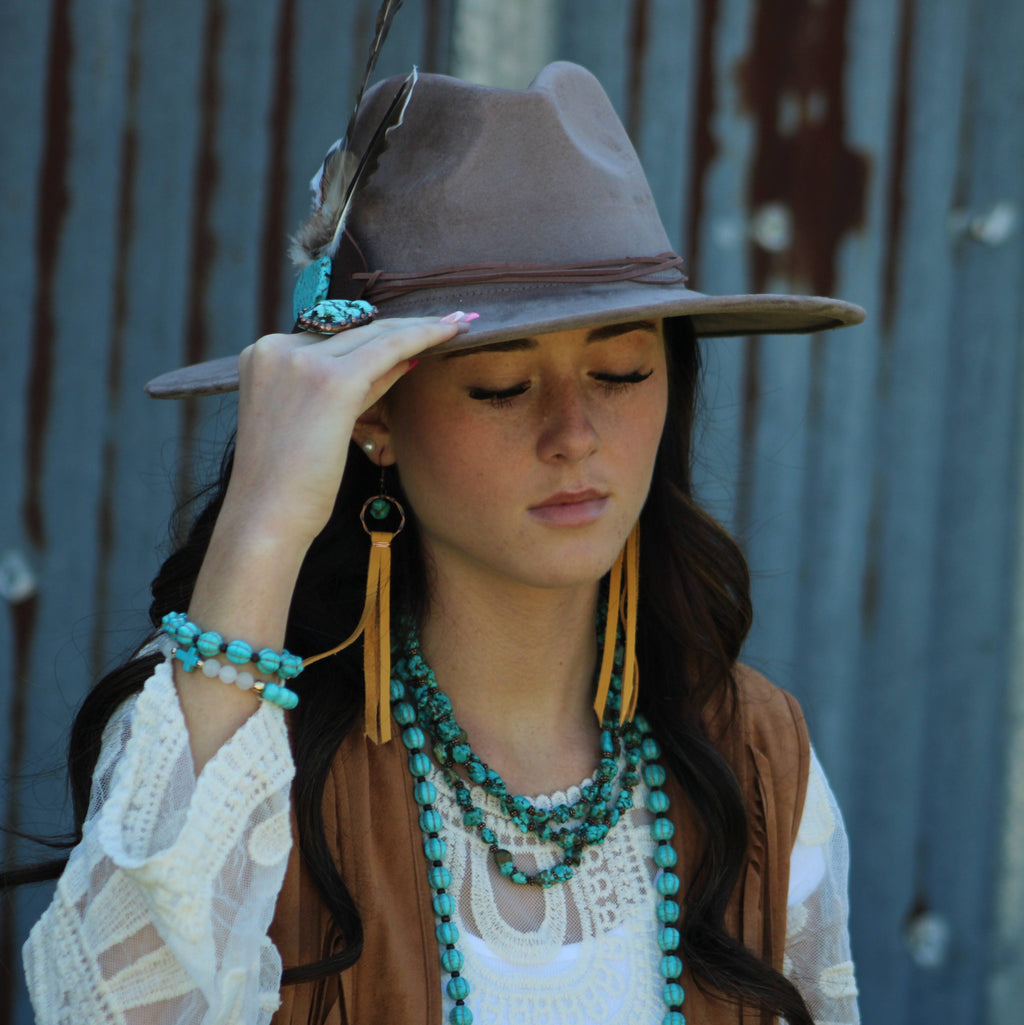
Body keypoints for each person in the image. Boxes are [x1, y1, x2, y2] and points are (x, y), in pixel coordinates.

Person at [18, 59, 863, 1025]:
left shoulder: (752, 755)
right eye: (500, 385)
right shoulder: (231, 738)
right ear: (372, 415)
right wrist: (264, 520)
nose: (574, 434)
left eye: (623, 372)